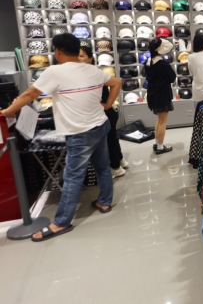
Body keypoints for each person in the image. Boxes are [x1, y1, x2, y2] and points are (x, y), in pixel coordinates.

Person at [0, 33, 121, 241]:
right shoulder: (93, 69)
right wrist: (108, 104)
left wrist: (8, 110)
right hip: (101, 125)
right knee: (102, 167)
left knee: (73, 176)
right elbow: (117, 82)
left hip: (80, 132)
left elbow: (30, 94)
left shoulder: (55, 71)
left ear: (57, 51)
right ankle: (105, 201)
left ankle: (61, 222)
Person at [78, 46, 128, 179]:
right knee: (112, 138)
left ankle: (116, 168)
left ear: (90, 58)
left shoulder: (92, 73)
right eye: (77, 56)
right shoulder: (91, 72)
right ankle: (120, 161)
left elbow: (117, 83)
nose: (79, 58)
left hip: (105, 112)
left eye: (82, 56)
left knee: (109, 140)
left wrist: (107, 104)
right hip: (108, 111)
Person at [145, 38, 177, 155]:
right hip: (163, 95)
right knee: (163, 121)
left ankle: (157, 142)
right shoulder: (163, 64)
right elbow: (172, 77)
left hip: (152, 94)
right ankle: (160, 146)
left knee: (159, 120)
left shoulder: (148, 62)